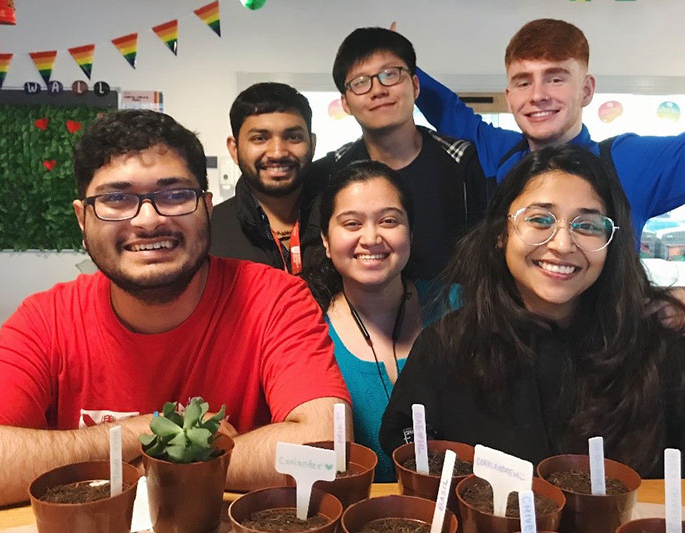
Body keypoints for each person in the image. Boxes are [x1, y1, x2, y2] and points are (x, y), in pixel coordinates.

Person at [0, 109, 351, 512]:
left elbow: (325, 446)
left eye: (175, 194)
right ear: (82, 217)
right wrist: (138, 434)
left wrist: (140, 469)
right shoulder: (47, 318)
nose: (148, 220)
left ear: (207, 207)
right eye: (116, 198)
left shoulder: (275, 299)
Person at [380, 145, 685, 478]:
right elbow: (409, 444)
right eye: (540, 219)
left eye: (587, 225)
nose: (562, 244)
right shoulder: (448, 345)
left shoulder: (663, 354)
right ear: (500, 233)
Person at [413, 18, 685, 246]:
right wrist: (397, 61)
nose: (537, 95)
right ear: (509, 97)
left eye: (556, 78)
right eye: (523, 81)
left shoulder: (628, 164)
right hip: (507, 348)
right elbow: (446, 108)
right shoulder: (497, 151)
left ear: (587, 90)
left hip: (602, 352)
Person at [311, 27, 490, 280]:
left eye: (390, 75)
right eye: (360, 82)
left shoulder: (463, 161)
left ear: (415, 86)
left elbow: (485, 259)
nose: (378, 90)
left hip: (454, 315)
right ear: (346, 103)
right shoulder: (330, 173)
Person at [303, 160, 442, 481]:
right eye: (351, 224)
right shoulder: (307, 329)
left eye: (389, 220)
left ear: (411, 231)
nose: (371, 238)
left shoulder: (456, 305)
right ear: (325, 240)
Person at [210, 82, 322, 274]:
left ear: (312, 144)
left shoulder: (341, 221)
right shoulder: (209, 232)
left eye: (293, 137)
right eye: (260, 138)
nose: (277, 153)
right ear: (234, 149)